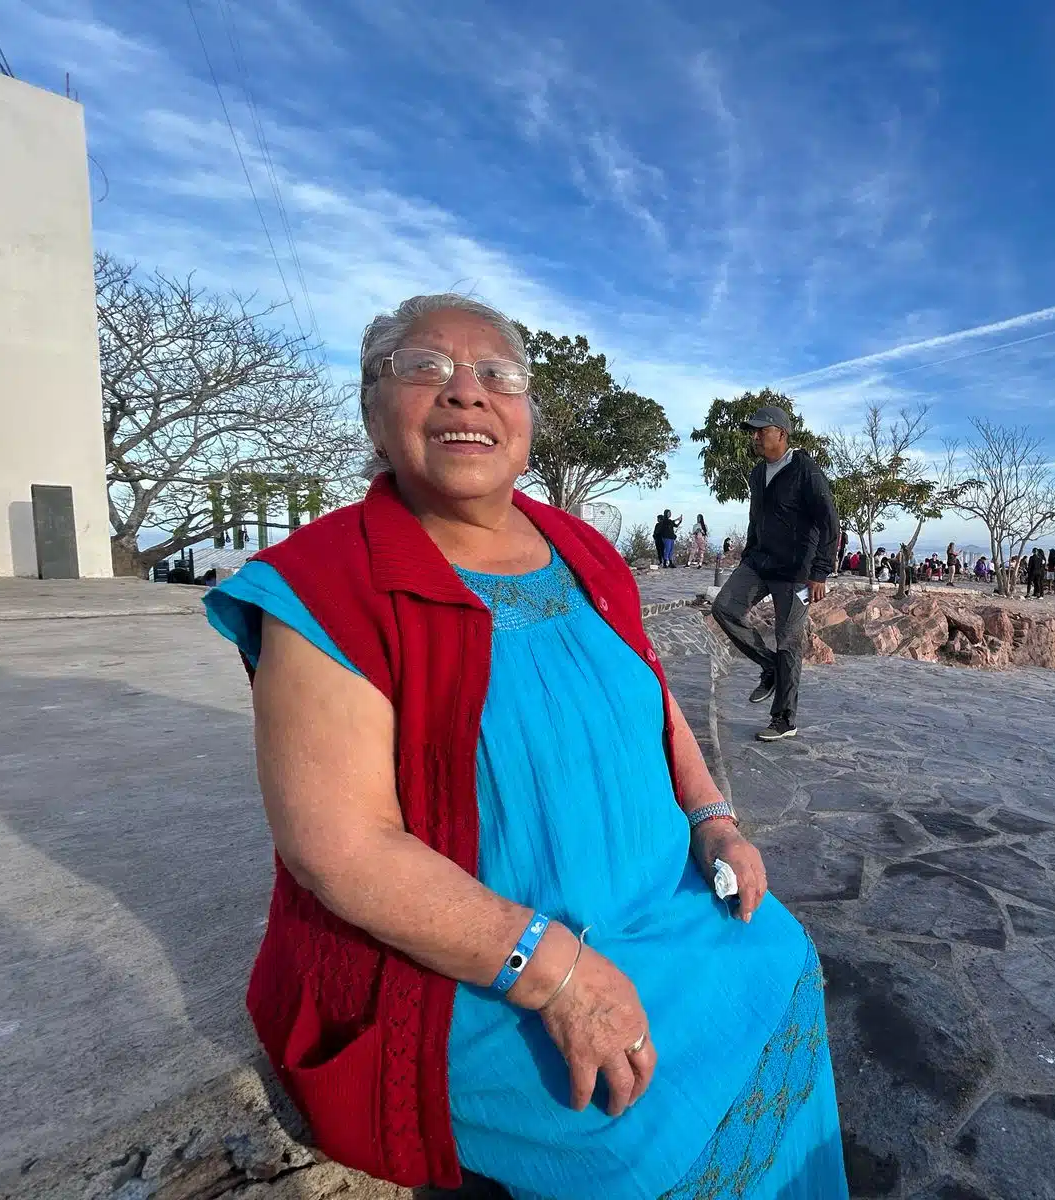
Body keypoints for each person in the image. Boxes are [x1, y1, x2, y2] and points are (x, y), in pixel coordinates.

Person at [201, 295, 845, 1197]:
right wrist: (557, 978)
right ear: (372, 409)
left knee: (781, 960)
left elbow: (650, 698)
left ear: (527, 416)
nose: (467, 395)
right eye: (425, 368)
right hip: (480, 968)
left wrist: (712, 820)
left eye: (497, 376)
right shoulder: (327, 586)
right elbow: (337, 847)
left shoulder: (583, 550)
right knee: (627, 1129)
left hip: (662, 909)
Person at [712, 404, 839, 744]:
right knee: (724, 608)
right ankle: (768, 666)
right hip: (759, 563)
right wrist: (749, 552)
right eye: (753, 431)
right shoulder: (757, 473)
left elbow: (830, 521)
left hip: (797, 573)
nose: (754, 436)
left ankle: (783, 718)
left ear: (781, 434)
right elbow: (757, 518)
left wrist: (820, 573)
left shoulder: (805, 470)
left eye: (760, 430)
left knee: (788, 641)